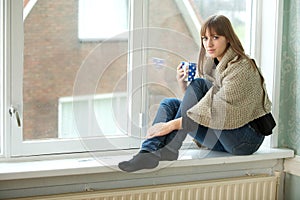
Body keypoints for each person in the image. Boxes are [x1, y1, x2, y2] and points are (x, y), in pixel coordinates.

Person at [118, 15, 272, 172]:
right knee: (169, 104)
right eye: (205, 38)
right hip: (224, 137)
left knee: (198, 84)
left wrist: (169, 125)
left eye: (215, 37)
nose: (208, 43)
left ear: (228, 39)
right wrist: (183, 85)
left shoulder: (241, 68)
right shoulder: (212, 66)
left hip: (245, 140)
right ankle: (147, 153)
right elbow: (201, 108)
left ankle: (170, 150)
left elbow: (221, 112)